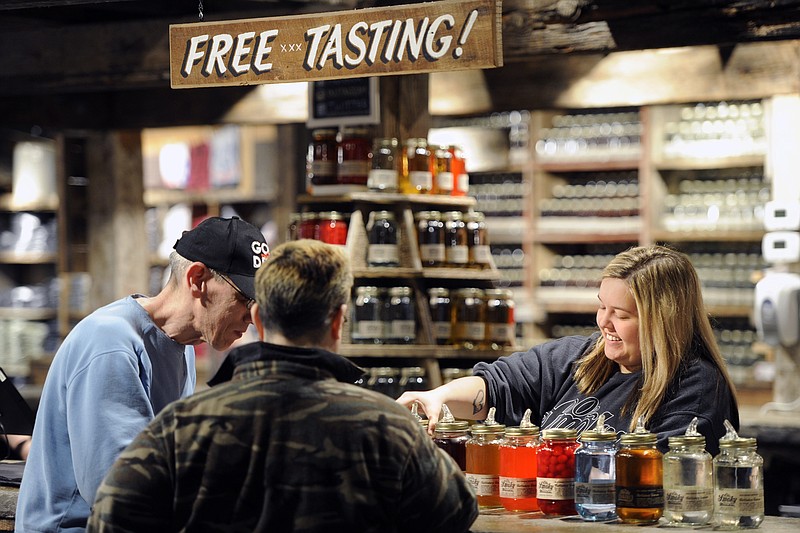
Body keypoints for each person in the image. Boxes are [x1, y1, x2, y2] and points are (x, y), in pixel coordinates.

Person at [87, 239, 478, 533]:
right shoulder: (390, 431)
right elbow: (455, 515)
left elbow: (111, 518)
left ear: (257, 316)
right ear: (339, 321)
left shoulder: (179, 428)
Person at [16, 216, 270, 532]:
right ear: (198, 279)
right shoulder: (111, 342)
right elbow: (121, 492)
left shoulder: (182, 348)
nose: (252, 316)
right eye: (244, 299)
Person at [399, 244, 739, 455]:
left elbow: (655, 478)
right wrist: (438, 397)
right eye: (601, 306)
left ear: (664, 321)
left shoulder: (696, 387)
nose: (604, 322)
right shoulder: (580, 357)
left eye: (621, 315)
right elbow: (500, 384)